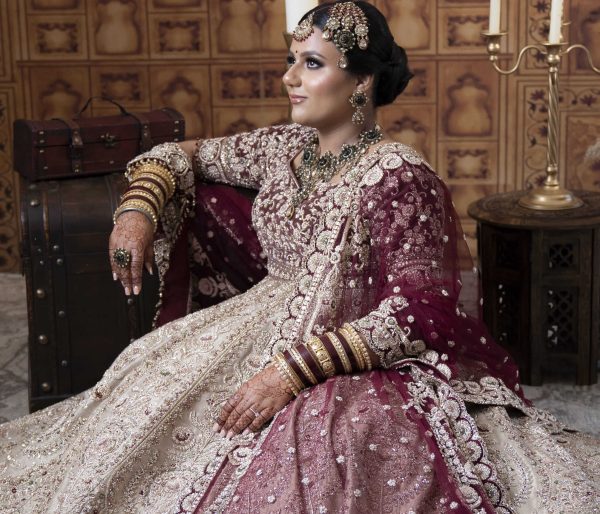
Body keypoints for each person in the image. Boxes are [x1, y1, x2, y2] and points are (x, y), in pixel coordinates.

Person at [1, 2, 599, 512]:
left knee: (316, 452)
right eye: (292, 60)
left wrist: (292, 372)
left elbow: (421, 311)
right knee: (140, 395)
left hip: (344, 348)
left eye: (312, 64)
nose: (289, 77)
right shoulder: (284, 148)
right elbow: (180, 154)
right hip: (252, 323)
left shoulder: (397, 175)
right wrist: (137, 210)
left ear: (361, 82)